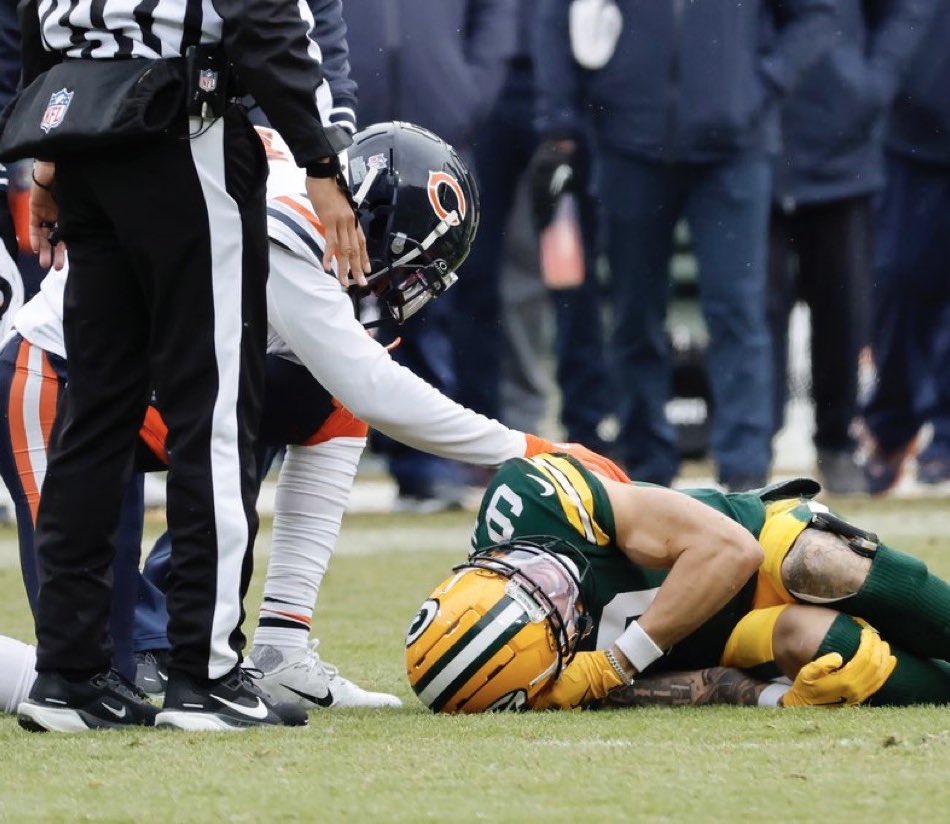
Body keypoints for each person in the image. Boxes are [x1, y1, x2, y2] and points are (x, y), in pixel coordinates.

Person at [0, 121, 628, 714]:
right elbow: (377, 389)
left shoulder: (299, 177)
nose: (399, 289)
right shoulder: (290, 224)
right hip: (54, 381)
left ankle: (282, 646)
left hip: (145, 387)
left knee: (327, 401)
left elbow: (353, 389)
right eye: (408, 267)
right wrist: (527, 448)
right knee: (89, 666)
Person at [11, 0, 371, 733]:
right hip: (182, 130)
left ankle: (69, 676)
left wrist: (48, 153)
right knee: (213, 411)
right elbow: (266, 21)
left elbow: (34, 14)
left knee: (96, 412)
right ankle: (204, 674)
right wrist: (322, 159)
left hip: (85, 130)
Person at [533, 0, 837, 490]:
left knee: (738, 311)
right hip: (628, 142)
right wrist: (559, 123)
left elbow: (816, 15)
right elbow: (555, 18)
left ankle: (746, 473)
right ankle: (646, 466)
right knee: (634, 313)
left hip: (734, 149)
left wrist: (763, 82)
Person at [406, 453, 950, 712]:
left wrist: (617, 661)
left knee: (822, 561)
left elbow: (732, 550)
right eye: (554, 617)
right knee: (838, 658)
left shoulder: (531, 502)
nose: (559, 591)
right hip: (728, 640)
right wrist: (766, 698)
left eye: (536, 580)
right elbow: (703, 685)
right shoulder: (542, 683)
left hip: (758, 545)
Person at [345, 0, 519, 511]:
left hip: (434, 143)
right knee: (314, 298)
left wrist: (466, 94)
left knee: (425, 307)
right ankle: (298, 448)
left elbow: (496, 15)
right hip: (336, 137)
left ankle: (426, 465)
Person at [768, 0, 937, 495]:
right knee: (754, 308)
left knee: (844, 307)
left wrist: (874, 78)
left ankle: (837, 442)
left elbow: (907, 11)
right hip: (748, 135)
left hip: (844, 142)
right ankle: (750, 447)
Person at [861, 3, 950, 494]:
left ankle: (945, 442)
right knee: (897, 281)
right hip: (911, 137)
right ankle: (891, 426)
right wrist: (874, 79)